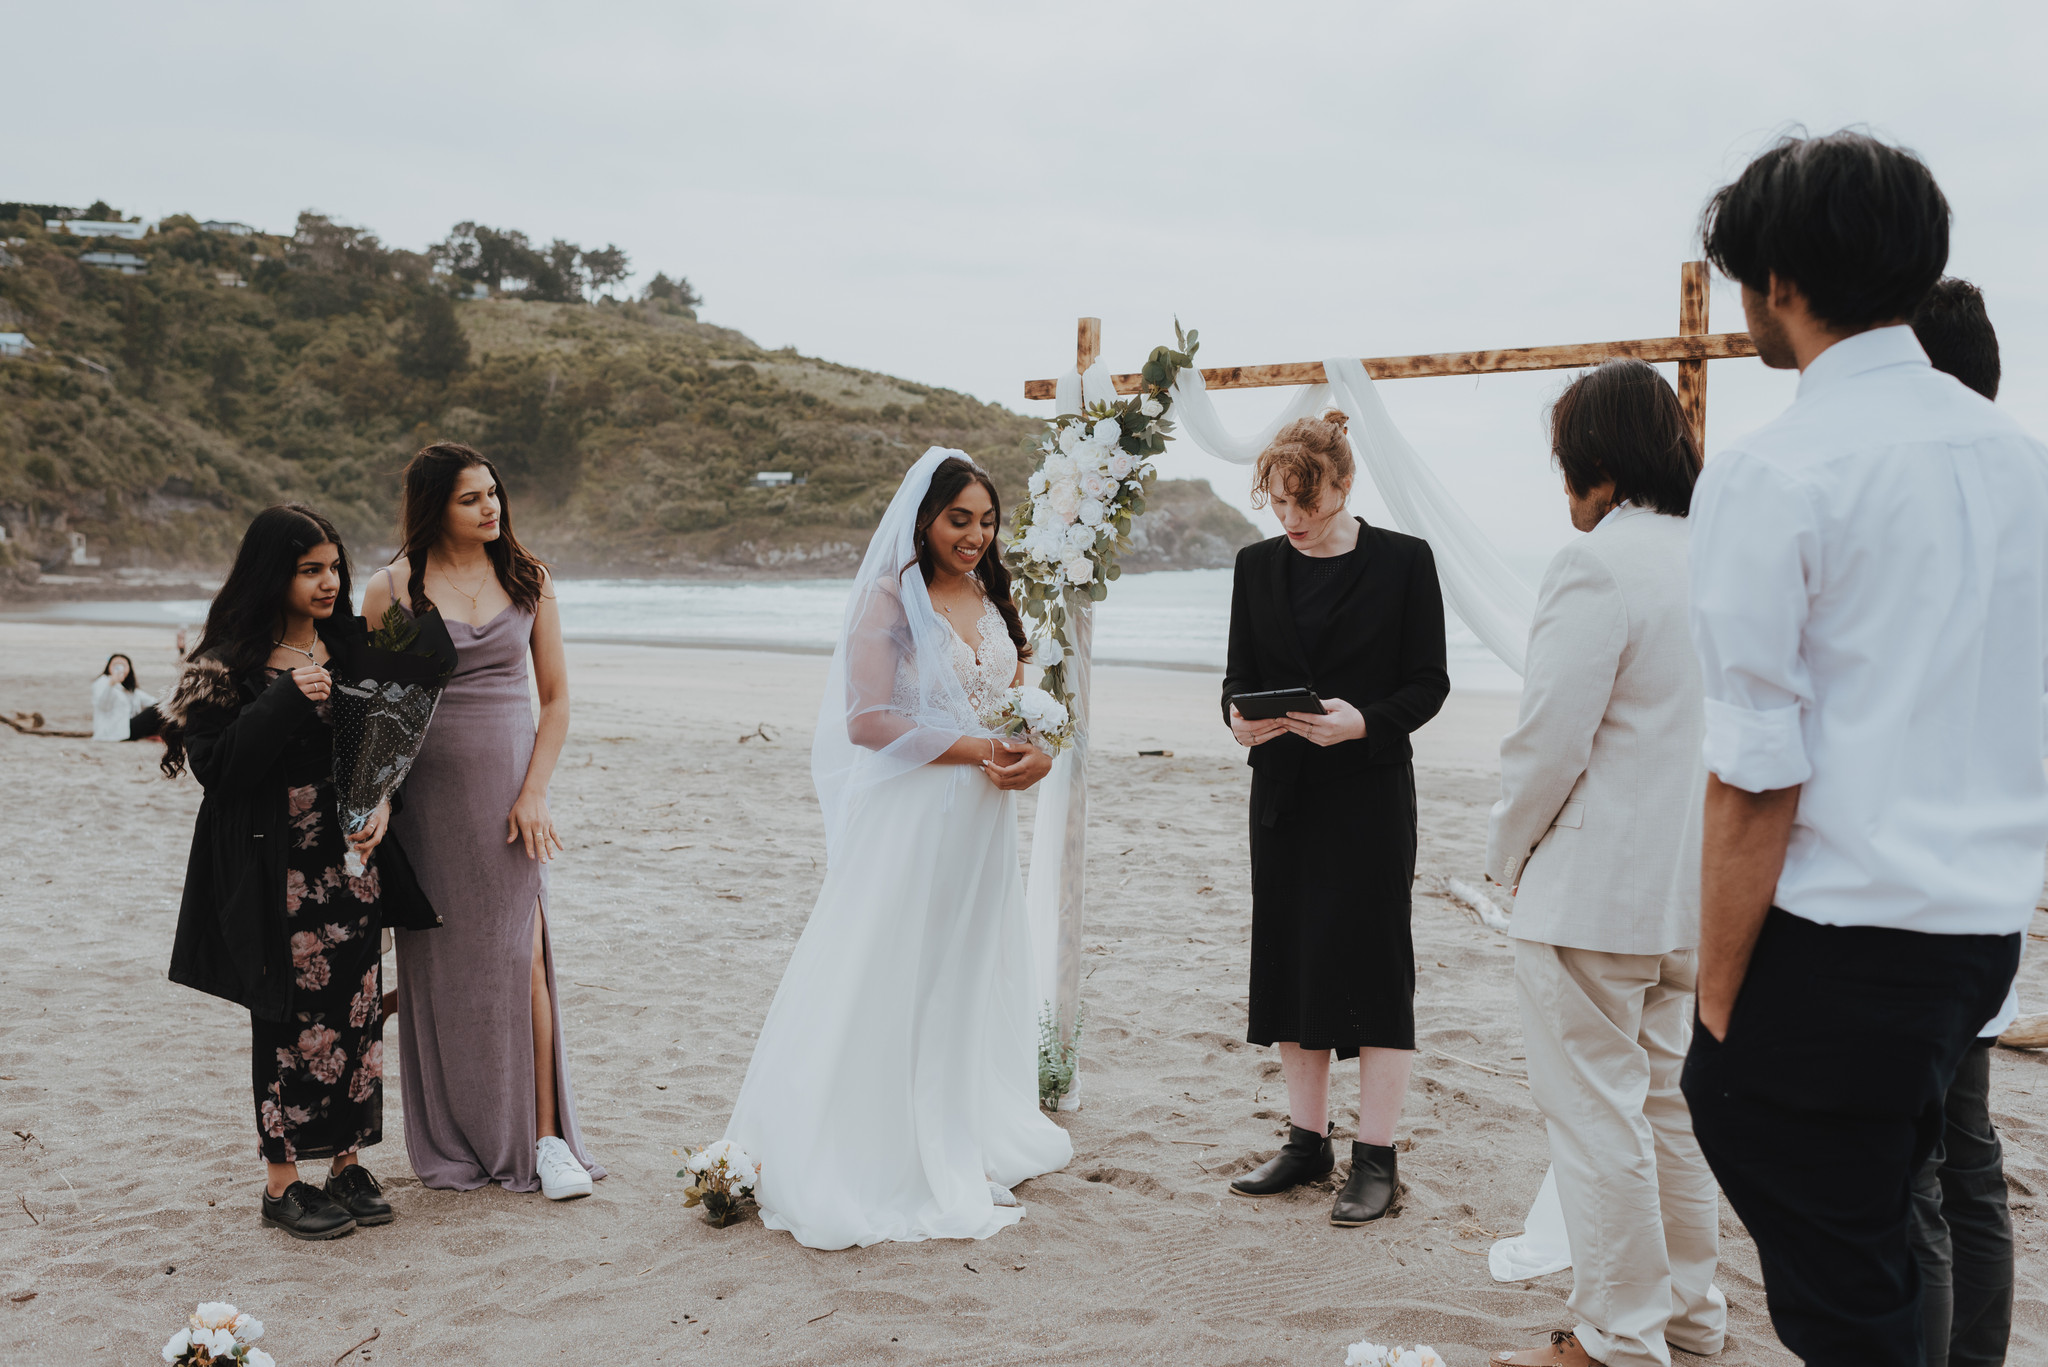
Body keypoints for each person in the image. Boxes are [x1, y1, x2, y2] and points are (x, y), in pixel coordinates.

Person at [1683, 132, 2048, 1365]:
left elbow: (1753, 766)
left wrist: (1717, 997)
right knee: (1898, 1230)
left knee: (1845, 1287)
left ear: (1778, 281)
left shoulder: (1775, 469)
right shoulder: (2021, 465)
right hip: (1978, 941)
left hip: (1830, 943)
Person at [722, 448, 1072, 1250]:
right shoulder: (891, 596)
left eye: (987, 521)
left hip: (982, 818)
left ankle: (953, 1120)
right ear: (924, 519)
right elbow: (868, 721)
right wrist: (981, 751)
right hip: (917, 813)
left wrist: (1033, 751)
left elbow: (1008, 708)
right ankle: (874, 1139)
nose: (975, 535)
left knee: (963, 969)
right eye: (960, 519)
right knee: (894, 967)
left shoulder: (988, 594)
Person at [1484, 361, 1724, 1367]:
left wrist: (1504, 857)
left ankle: (1616, 1336)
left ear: (1591, 463)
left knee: (1595, 1121)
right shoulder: (1721, 555)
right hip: (1692, 891)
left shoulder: (1596, 564)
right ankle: (1688, 1315)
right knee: (1670, 1110)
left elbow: (1548, 741)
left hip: (1589, 898)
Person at [160, 504, 439, 1240]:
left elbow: (384, 742)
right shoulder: (222, 662)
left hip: (351, 863)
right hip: (272, 869)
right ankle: (282, 1183)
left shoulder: (348, 641)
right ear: (271, 573)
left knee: (356, 1011)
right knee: (282, 1020)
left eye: (334, 566)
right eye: (309, 568)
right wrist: (286, 698)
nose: (328, 581)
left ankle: (347, 1163)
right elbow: (216, 770)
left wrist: (384, 803)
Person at [1220, 411, 1449, 1225]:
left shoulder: (1405, 562)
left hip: (1370, 794)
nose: (1291, 520)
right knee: (1291, 959)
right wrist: (1239, 720)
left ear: (1345, 485)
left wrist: (1365, 721)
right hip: (1283, 793)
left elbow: (1429, 682)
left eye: (1305, 504)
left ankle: (1376, 1157)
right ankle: (1306, 1141)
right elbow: (1239, 675)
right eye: (1279, 504)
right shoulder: (1255, 566)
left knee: (1377, 968)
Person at [362, 442, 602, 1201]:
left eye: (494, 492)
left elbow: (557, 699)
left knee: (520, 959)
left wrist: (534, 791)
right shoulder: (393, 588)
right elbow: (381, 713)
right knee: (439, 969)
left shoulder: (528, 579)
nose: (491, 506)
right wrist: (381, 798)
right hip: (427, 802)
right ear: (436, 506)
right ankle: (459, 1133)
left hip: (509, 794)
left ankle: (546, 1138)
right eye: (472, 497)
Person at [1907, 276, 2016, 1367]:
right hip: (1992, 874)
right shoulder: (2022, 485)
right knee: (1965, 1145)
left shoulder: (1924, 500)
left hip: (1910, 882)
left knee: (1914, 1170)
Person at [91, 653, 160, 741]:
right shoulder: (103, 682)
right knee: (156, 710)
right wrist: (111, 684)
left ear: (129, 669)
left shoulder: (129, 689)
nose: (119, 668)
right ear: (109, 668)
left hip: (127, 728)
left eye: (122, 665)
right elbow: (102, 705)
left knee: (161, 708)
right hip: (114, 731)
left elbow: (152, 701)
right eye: (116, 665)